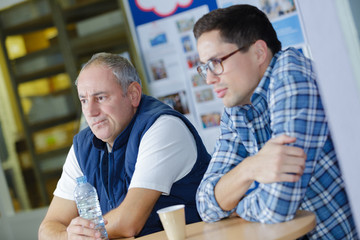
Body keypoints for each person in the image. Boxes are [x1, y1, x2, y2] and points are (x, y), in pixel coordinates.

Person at [193, 4, 358, 240]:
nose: (209, 79)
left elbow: (277, 205)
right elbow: (205, 205)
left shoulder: (291, 75)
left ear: (259, 52)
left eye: (217, 62)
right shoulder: (235, 108)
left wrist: (236, 205)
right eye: (205, 67)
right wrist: (250, 168)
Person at [38, 53, 211, 239]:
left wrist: (83, 235)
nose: (91, 111)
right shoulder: (83, 146)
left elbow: (128, 223)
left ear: (133, 95)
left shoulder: (162, 126)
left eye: (101, 98)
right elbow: (48, 228)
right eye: (84, 100)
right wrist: (68, 237)